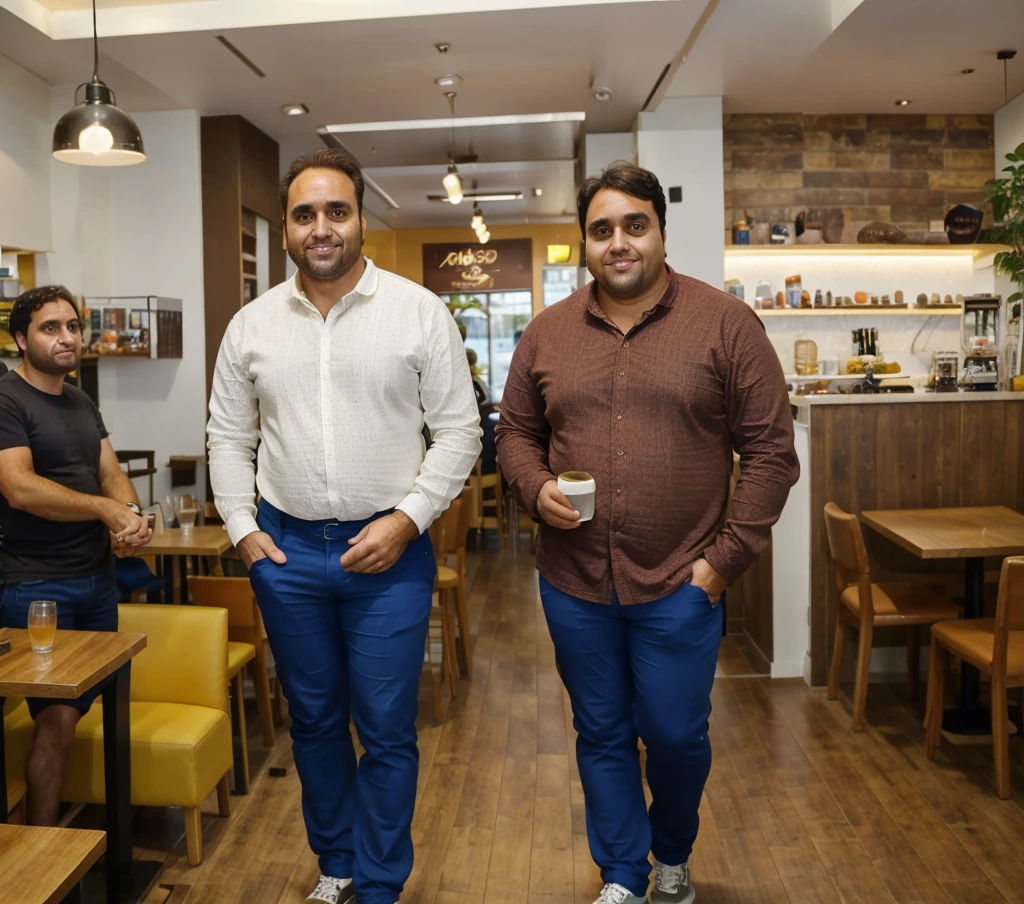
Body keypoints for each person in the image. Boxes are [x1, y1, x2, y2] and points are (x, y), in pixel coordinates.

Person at [496, 163, 798, 904]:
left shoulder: (725, 324)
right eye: (602, 230)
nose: (619, 243)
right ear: (585, 244)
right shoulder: (546, 334)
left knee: (673, 733)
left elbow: (770, 453)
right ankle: (625, 874)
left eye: (635, 225)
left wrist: (721, 565)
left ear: (661, 231)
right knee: (599, 733)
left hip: (681, 582)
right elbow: (513, 435)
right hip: (574, 583)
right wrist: (534, 489)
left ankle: (672, 851)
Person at [207, 149, 481, 904]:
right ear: (287, 229)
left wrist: (407, 519)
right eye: (304, 214)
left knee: (388, 727)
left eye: (336, 211)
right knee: (316, 723)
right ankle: (337, 866)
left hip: (388, 552)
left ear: (362, 217)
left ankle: (381, 884)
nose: (320, 228)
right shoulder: (251, 326)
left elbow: (459, 432)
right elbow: (227, 436)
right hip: (287, 553)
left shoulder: (416, 310)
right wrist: (241, 527)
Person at [0, 285, 152, 826]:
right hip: (38, 589)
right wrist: (103, 512)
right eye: (49, 328)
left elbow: (109, 473)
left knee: (86, 717)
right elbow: (19, 488)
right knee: (59, 720)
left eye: (71, 326)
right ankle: (40, 851)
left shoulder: (81, 399)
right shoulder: (7, 399)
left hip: (97, 583)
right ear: (21, 338)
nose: (66, 337)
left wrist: (130, 515)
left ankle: (88, 845)